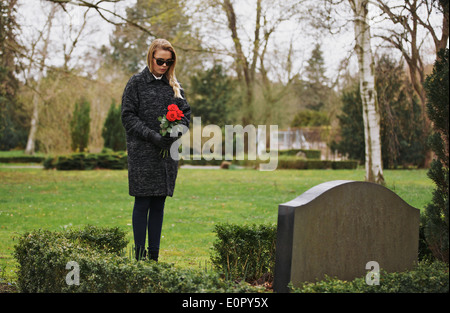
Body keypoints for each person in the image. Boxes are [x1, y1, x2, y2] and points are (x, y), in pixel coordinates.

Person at [121, 38, 191, 261]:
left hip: (166, 155)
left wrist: (173, 134)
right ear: (151, 57)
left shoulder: (175, 86)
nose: (164, 66)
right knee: (142, 202)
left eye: (168, 62)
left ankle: (153, 258)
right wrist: (152, 136)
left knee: (159, 203)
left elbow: (186, 117)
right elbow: (128, 117)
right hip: (142, 154)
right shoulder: (136, 83)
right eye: (160, 61)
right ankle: (140, 258)